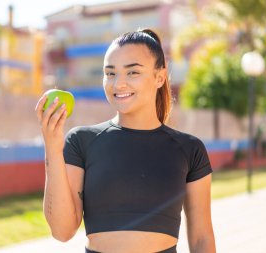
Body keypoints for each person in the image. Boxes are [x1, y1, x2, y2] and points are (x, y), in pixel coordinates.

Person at [35, 28, 216, 253]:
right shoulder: (82, 141)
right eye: (110, 73)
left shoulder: (190, 149)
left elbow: (202, 240)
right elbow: (62, 231)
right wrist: (52, 148)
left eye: (132, 73)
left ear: (159, 77)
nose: (118, 84)